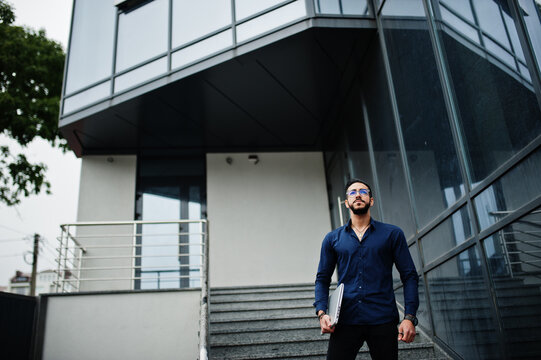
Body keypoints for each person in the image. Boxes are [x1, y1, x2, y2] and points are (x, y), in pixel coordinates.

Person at [314, 178, 419, 360]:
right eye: (352, 193)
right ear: (346, 203)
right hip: (345, 320)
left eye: (363, 192)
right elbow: (322, 279)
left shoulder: (392, 234)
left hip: (383, 319)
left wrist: (409, 317)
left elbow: (409, 276)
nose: (358, 195)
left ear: (371, 200)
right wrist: (322, 313)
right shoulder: (332, 239)